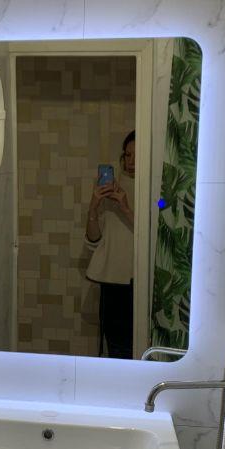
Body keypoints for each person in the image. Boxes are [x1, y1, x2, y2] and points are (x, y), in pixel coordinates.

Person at [84, 131, 136, 358]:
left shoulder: (157, 192)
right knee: (116, 348)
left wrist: (126, 208)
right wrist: (93, 207)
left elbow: (155, 232)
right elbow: (93, 240)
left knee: (138, 346)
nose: (131, 161)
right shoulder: (111, 188)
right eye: (128, 155)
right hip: (112, 282)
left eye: (137, 155)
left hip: (139, 281)